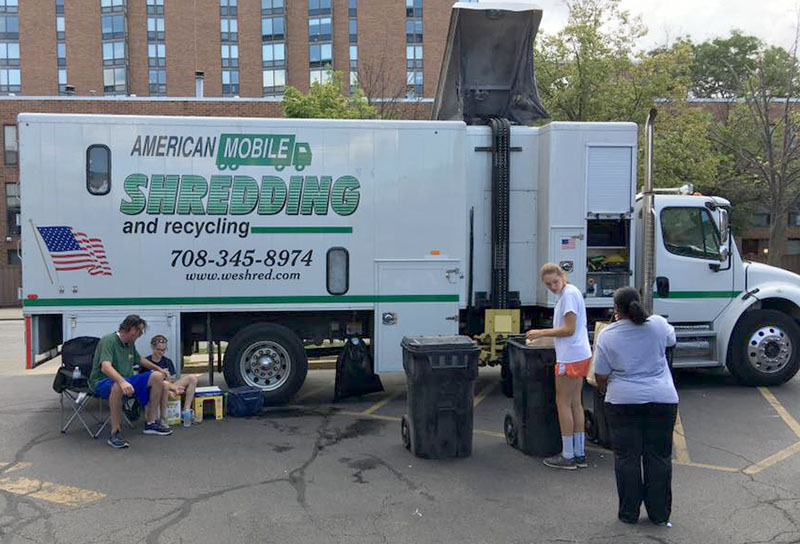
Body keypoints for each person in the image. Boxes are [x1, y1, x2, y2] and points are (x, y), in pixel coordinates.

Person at [593, 286, 678, 526]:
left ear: (616, 310)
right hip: (662, 399)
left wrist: (604, 390)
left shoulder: (608, 335)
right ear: (639, 303)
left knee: (626, 458)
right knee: (658, 457)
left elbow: (600, 374)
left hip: (622, 401)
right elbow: (672, 340)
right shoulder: (659, 324)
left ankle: (629, 513)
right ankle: (659, 514)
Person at [526, 262, 592, 470]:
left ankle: (567, 455)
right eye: (548, 285)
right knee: (575, 403)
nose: (553, 287)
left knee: (563, 403)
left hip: (570, 356)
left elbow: (569, 329)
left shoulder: (568, 296)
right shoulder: (571, 292)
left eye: (555, 282)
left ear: (562, 276)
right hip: (580, 353)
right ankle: (579, 453)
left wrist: (540, 332)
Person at [88, 315, 174, 449]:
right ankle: (115, 433)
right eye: (139, 332)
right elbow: (105, 367)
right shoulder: (108, 341)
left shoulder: (130, 344)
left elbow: (139, 360)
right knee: (117, 386)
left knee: (157, 376)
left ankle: (151, 423)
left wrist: (159, 369)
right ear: (132, 330)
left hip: (127, 379)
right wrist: (122, 382)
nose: (140, 335)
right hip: (103, 381)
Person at [146, 334, 200, 424]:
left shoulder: (167, 361)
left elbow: (171, 380)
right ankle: (163, 418)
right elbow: (145, 384)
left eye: (163, 350)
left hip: (169, 385)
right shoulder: (147, 362)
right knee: (165, 385)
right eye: (158, 350)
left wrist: (173, 387)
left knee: (192, 378)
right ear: (152, 347)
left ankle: (186, 411)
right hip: (153, 390)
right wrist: (171, 388)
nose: (161, 353)